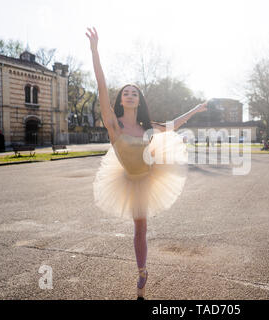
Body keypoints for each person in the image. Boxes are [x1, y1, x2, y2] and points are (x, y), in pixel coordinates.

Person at [86, 27, 207, 300]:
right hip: (129, 178)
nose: (130, 94)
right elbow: (102, 86)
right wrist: (95, 51)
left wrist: (196, 109)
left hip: (151, 172)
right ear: (120, 99)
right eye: (126, 92)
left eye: (134, 93)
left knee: (142, 228)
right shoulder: (112, 124)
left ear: (139, 101)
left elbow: (173, 125)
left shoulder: (146, 126)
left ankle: (142, 272)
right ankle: (142, 271)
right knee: (138, 229)